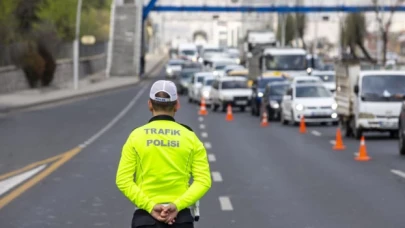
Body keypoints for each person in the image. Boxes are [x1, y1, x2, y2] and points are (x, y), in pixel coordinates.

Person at [116, 80, 212, 228]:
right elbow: (203, 181)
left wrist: (150, 206)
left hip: (145, 220)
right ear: (177, 105)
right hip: (181, 219)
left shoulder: (136, 136)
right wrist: (177, 205)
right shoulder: (190, 138)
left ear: (149, 104)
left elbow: (123, 180)